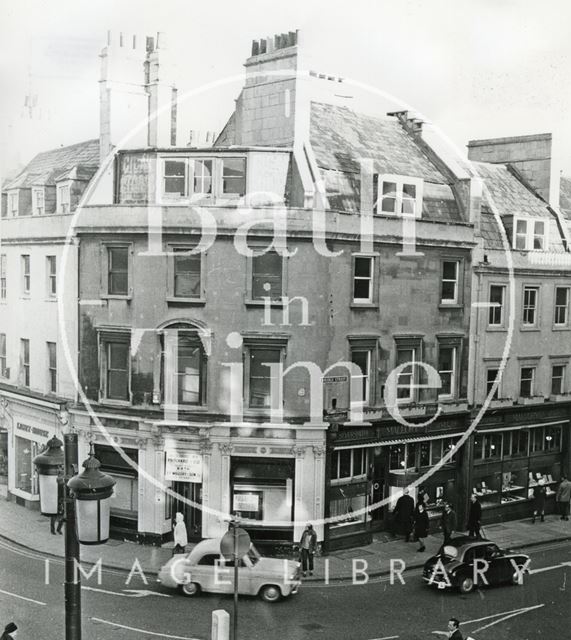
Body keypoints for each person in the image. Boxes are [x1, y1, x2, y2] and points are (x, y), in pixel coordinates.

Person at [50, 467, 65, 535]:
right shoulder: (60, 484)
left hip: (58, 501)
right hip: (57, 501)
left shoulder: (60, 484)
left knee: (57, 516)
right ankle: (56, 529)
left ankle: (55, 530)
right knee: (58, 516)